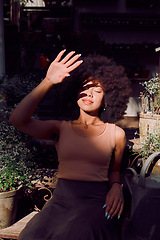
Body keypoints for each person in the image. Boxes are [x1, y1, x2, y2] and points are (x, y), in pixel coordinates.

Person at [9, 49, 130, 240]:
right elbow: (17, 120)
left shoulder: (116, 134)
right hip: (61, 201)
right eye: (84, 86)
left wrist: (116, 187)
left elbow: (115, 170)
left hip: (96, 202)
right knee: (30, 237)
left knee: (72, 235)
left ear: (107, 99)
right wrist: (47, 81)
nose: (89, 92)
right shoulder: (60, 128)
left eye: (97, 90)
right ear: (75, 92)